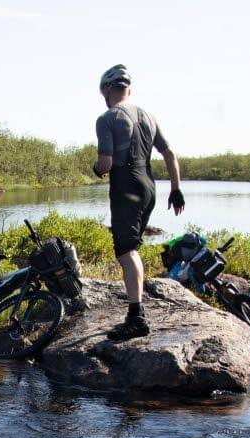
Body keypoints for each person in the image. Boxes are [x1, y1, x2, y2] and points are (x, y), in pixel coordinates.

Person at [93, 64, 185, 340]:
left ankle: (137, 316)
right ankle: (137, 310)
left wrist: (97, 169)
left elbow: (106, 162)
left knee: (126, 251)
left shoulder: (107, 118)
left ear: (106, 90)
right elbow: (169, 153)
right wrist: (176, 189)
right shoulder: (149, 116)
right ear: (128, 89)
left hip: (126, 185)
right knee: (132, 247)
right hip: (149, 185)